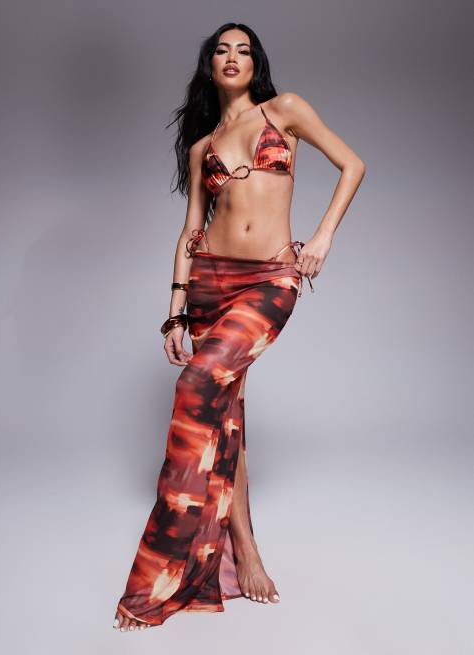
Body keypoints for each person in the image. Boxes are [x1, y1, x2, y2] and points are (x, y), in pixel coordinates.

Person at [113, 22, 365, 631]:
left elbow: (352, 164)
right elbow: (190, 231)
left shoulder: (286, 110)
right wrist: (175, 311)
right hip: (209, 281)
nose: (232, 57)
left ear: (256, 64)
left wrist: (323, 238)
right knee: (225, 412)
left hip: (269, 279)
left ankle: (161, 568)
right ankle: (246, 549)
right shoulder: (203, 146)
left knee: (197, 385)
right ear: (209, 66)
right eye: (221, 50)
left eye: (243, 50)